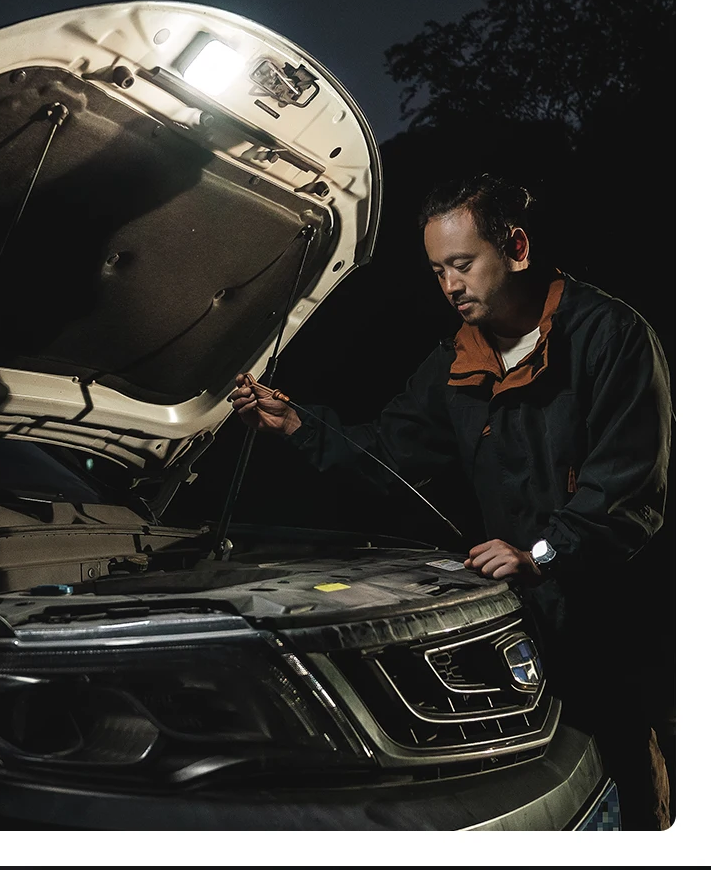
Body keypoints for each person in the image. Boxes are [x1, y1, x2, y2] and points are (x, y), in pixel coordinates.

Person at [229, 175, 674, 830]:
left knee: (629, 780)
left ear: (516, 248)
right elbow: (389, 455)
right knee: (554, 794)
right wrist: (297, 424)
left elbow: (628, 492)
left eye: (462, 264)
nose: (450, 285)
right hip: (524, 626)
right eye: (438, 270)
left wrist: (542, 553)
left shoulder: (610, 335)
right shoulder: (456, 361)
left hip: (615, 624)